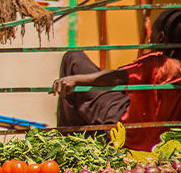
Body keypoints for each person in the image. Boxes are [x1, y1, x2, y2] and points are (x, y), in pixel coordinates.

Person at [52, 8, 181, 151]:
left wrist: (76, 79)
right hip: (160, 138)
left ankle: (65, 145)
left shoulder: (157, 64)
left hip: (127, 134)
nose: (149, 39)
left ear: (161, 38)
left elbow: (117, 78)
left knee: (73, 59)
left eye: (153, 34)